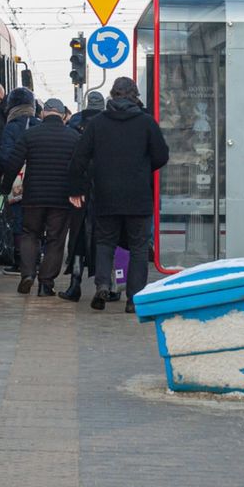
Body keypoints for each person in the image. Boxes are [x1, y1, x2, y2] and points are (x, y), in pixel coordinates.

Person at [68, 77, 169, 313]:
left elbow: (79, 157)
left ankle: (103, 284)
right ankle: (134, 299)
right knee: (139, 247)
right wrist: (142, 168)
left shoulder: (98, 123)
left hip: (106, 194)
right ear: (134, 95)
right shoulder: (146, 122)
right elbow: (162, 155)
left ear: (112, 95)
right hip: (138, 196)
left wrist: (76, 189)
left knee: (104, 242)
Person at [0, 98, 80, 296]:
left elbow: (13, 164)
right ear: (62, 115)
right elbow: (80, 168)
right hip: (61, 199)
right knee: (55, 240)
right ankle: (46, 284)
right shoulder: (73, 137)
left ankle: (27, 274)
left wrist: (5, 187)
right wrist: (78, 191)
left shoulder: (30, 135)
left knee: (29, 234)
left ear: (43, 113)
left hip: (33, 197)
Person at [59, 90, 106, 300]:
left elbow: (74, 162)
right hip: (104, 190)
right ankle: (107, 285)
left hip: (80, 191)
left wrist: (74, 190)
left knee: (77, 237)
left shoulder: (75, 124)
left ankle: (75, 283)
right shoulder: (108, 123)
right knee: (105, 238)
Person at [0, 87, 39, 273]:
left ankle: (20, 261)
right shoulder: (39, 124)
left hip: (17, 183)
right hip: (39, 182)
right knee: (37, 222)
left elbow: (5, 157)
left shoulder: (11, 127)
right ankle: (37, 258)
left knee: (18, 223)